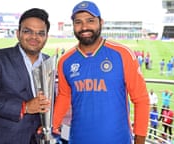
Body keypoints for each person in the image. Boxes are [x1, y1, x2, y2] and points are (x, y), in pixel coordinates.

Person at [52, 1, 150, 144]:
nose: (84, 27)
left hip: (118, 139)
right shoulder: (65, 61)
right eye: (78, 22)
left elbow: (141, 100)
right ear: (73, 25)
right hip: (78, 139)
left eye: (90, 21)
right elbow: (64, 96)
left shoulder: (122, 54)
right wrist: (52, 125)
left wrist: (140, 140)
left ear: (101, 22)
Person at [0, 8, 51, 144]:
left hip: (38, 138)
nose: (34, 37)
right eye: (28, 31)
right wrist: (25, 107)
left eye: (40, 33)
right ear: (18, 33)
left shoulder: (48, 61)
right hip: (5, 139)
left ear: (46, 37)